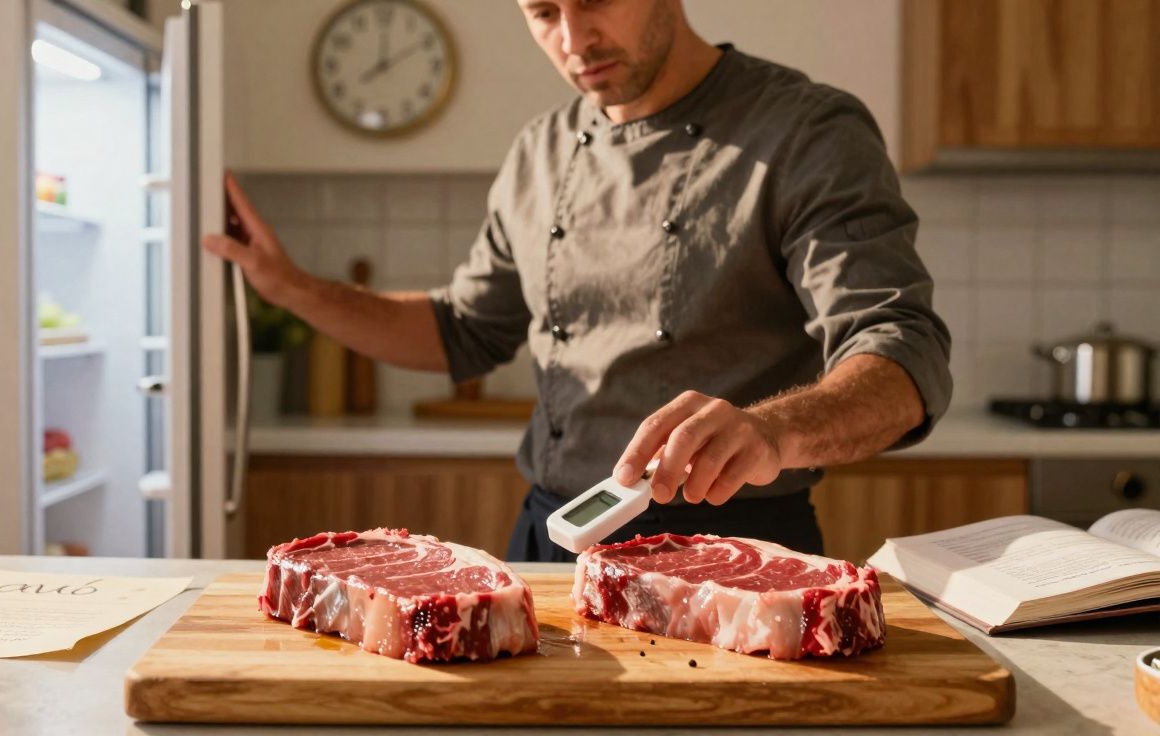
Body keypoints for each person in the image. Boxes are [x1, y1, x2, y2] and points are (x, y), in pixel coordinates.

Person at [203, 0, 951, 562]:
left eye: (594, 0)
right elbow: (461, 330)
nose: (573, 39)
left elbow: (901, 352)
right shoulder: (541, 150)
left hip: (729, 550)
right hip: (548, 539)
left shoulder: (807, 130)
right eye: (543, 11)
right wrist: (292, 286)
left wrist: (770, 430)